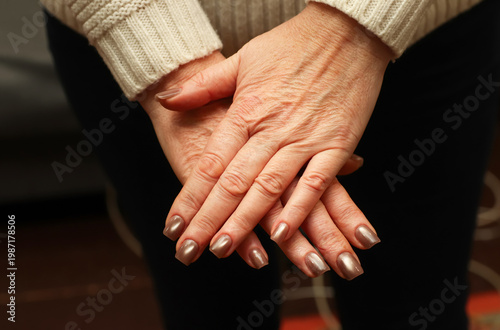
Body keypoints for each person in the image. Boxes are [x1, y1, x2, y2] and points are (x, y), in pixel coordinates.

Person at [42, 0, 499, 329]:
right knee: (207, 311)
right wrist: (165, 60)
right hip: (135, 46)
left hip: (421, 30)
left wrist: (353, 27)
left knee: (416, 309)